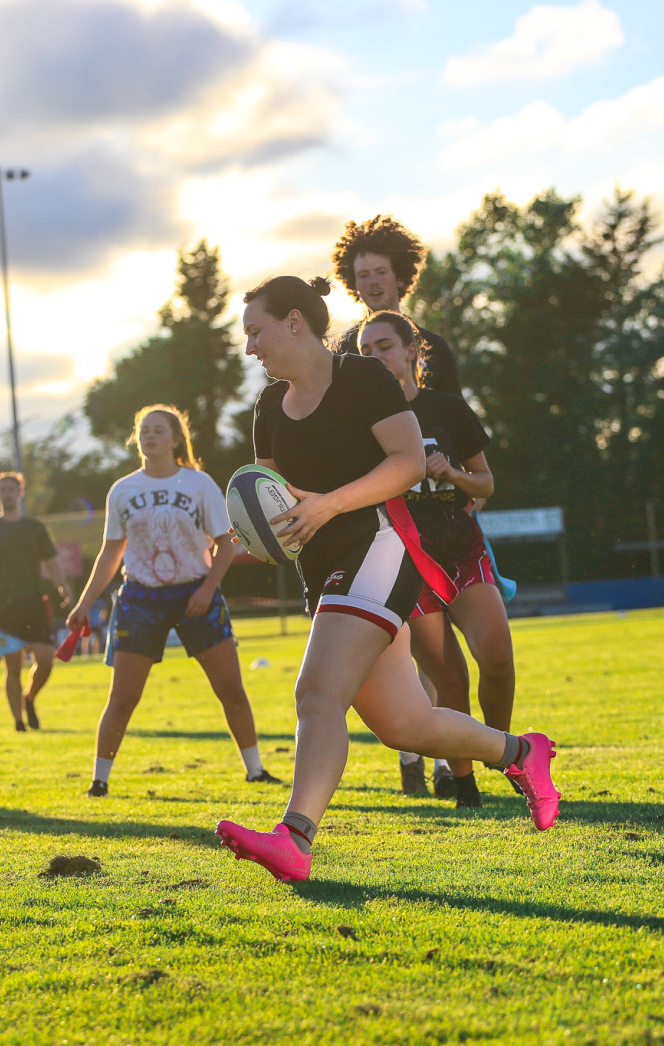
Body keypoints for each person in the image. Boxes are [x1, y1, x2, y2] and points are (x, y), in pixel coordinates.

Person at [214, 275, 559, 883]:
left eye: (255, 332)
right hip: (323, 570)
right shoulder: (269, 406)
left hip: (380, 547)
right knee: (406, 723)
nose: (250, 349)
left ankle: (295, 838)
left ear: (295, 321)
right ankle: (522, 753)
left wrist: (327, 504)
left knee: (316, 694)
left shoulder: (362, 379)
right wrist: (258, 529)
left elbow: (404, 464)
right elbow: (269, 494)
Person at [65, 404, 281, 798]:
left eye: (158, 429)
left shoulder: (199, 484)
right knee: (123, 697)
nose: (149, 435)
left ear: (176, 438)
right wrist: (83, 604)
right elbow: (110, 554)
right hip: (140, 597)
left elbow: (224, 546)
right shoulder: (123, 489)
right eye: (143, 429)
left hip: (195, 591)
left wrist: (206, 589)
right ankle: (99, 780)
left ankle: (256, 770)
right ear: (136, 438)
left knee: (230, 688)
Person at [358, 311, 515, 810]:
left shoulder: (447, 407)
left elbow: (485, 483)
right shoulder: (360, 423)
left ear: (411, 350)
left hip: (461, 547)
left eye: (384, 346)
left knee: (497, 659)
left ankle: (506, 751)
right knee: (448, 679)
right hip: (406, 558)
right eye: (366, 352)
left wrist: (451, 473)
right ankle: (465, 785)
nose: (376, 358)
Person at [0, 473, 71, 732]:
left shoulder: (35, 528)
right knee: (12, 667)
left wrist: (63, 587)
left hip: (34, 604)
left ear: (21, 492)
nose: (8, 494)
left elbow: (52, 562)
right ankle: (18, 722)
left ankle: (30, 697)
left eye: (12, 489)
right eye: (3, 490)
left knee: (46, 659)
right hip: (4, 607)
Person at [330, 215, 461, 393]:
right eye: (363, 275)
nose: (373, 282)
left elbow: (454, 412)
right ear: (354, 284)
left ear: (399, 278)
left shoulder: (434, 347)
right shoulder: (343, 350)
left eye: (381, 272)